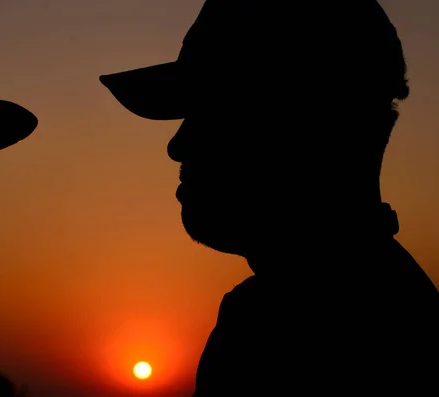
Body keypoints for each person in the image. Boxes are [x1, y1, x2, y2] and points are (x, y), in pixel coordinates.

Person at [100, 0, 439, 395]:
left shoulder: (284, 332)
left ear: (305, 125)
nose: (178, 144)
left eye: (216, 114)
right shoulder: (386, 312)